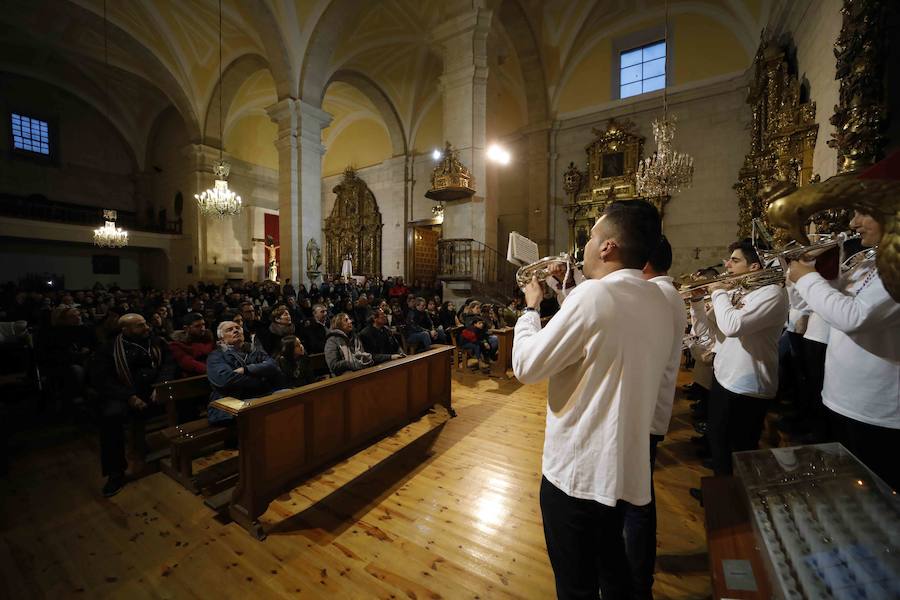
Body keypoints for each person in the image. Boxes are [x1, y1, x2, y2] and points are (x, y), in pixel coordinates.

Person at [512, 200, 672, 600]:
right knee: (612, 569)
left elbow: (527, 366)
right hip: (619, 470)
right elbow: (600, 331)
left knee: (575, 585)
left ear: (608, 248)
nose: (583, 245)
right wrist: (566, 287)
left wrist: (530, 310)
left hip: (576, 474)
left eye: (591, 236)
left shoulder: (596, 297)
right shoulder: (659, 299)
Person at [788, 209, 900, 489]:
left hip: (877, 409)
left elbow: (854, 317)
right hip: (842, 397)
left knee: (877, 503)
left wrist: (805, 278)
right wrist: (822, 267)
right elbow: (824, 304)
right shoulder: (870, 258)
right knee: (846, 490)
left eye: (865, 214)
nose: (853, 224)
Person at [688, 239, 788, 490]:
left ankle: (744, 504)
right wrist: (697, 303)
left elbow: (733, 326)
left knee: (742, 450)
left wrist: (718, 292)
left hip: (749, 384)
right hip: (724, 377)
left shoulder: (772, 294)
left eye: (734, 260)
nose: (727, 264)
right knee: (718, 441)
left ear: (754, 267)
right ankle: (723, 497)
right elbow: (705, 335)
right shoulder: (736, 291)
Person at [622, 236, 687, 600]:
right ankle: (635, 573)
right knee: (636, 498)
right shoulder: (666, 293)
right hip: (648, 409)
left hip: (643, 413)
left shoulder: (657, 296)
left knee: (637, 502)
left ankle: (637, 581)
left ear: (643, 263)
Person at [91, 313, 177, 497]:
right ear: (125, 330)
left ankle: (185, 448)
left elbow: (168, 364)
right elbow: (103, 380)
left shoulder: (156, 341)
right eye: (140, 325)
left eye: (145, 323)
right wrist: (129, 396)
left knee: (186, 398)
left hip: (154, 390)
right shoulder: (109, 349)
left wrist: (161, 385)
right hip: (125, 393)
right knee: (110, 417)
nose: (146, 327)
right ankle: (115, 473)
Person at [206, 321, 280, 424]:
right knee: (261, 410)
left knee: (289, 397)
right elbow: (225, 380)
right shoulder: (216, 356)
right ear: (221, 339)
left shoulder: (254, 350)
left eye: (238, 328)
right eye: (229, 330)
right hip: (230, 401)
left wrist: (246, 370)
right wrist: (260, 380)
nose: (235, 330)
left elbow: (274, 366)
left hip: (260, 395)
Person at [168, 312, 214, 376]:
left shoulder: (208, 338)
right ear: (186, 328)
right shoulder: (176, 344)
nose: (202, 328)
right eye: (197, 326)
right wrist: (212, 370)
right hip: (193, 376)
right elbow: (187, 362)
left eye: (203, 325)